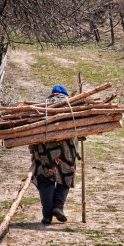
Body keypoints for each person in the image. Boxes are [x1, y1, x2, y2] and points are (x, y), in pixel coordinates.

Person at [29, 85, 80, 224]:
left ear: (53, 94)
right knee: (66, 175)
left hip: (45, 149)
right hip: (67, 150)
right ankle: (58, 206)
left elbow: (34, 132)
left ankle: (47, 215)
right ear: (65, 95)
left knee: (45, 178)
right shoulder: (72, 107)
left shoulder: (43, 106)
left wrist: (32, 151)